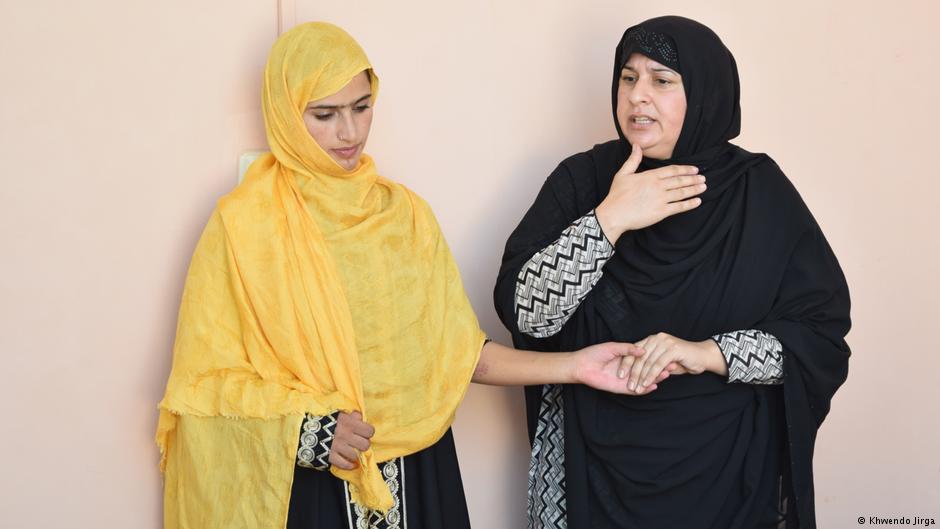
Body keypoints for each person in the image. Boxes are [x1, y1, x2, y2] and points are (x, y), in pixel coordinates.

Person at [155, 22, 666, 529]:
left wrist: (575, 367)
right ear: (286, 114)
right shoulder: (244, 226)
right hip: (313, 490)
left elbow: (458, 356)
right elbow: (201, 387)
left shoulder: (404, 216)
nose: (349, 132)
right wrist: (307, 430)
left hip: (420, 474)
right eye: (324, 114)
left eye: (361, 106)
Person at [494, 15, 851, 529]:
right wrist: (610, 219)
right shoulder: (582, 181)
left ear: (705, 93)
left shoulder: (757, 194)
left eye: (662, 81)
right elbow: (528, 315)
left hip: (730, 477)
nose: (638, 96)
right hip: (593, 472)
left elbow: (818, 340)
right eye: (628, 77)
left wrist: (707, 354)